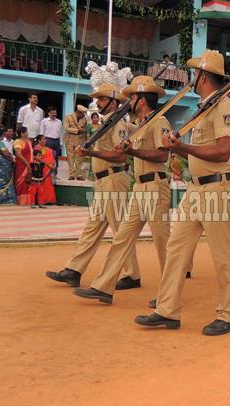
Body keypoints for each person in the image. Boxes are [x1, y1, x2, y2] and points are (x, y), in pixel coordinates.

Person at [135, 50, 230, 336]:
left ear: (203, 76)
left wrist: (181, 149)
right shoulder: (208, 106)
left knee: (222, 254)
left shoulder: (224, 106)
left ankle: (229, 314)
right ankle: (167, 309)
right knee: (176, 247)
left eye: (195, 73)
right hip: (196, 189)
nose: (193, 78)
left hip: (217, 189)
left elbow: (223, 151)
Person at [72, 76, 172, 302]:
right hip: (139, 187)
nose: (130, 101)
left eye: (133, 97)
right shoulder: (139, 126)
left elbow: (162, 155)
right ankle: (103, 287)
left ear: (143, 100)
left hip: (156, 186)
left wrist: (131, 152)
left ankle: (169, 294)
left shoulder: (159, 121)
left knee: (163, 244)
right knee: (122, 239)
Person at [45, 83, 139, 294]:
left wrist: (91, 154)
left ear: (114, 102)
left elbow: (121, 156)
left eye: (102, 99)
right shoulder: (104, 123)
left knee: (120, 230)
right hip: (103, 181)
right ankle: (74, 269)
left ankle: (132, 274)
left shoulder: (118, 124)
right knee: (92, 226)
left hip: (114, 179)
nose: (97, 102)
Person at [63, 105, 87, 180]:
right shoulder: (68, 117)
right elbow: (66, 128)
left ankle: (79, 174)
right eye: (83, 113)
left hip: (80, 140)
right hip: (70, 140)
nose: (84, 115)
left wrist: (84, 130)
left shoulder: (84, 118)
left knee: (79, 158)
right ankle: (72, 174)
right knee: (70, 158)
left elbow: (85, 128)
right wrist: (77, 130)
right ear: (78, 112)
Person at [0, 130, 16, 204]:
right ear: (2, 136)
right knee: (4, 182)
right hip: (3, 166)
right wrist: (13, 160)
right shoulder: (0, 144)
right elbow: (6, 154)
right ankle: (6, 200)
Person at [12, 127, 33, 205]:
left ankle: (28, 201)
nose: (28, 133)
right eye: (26, 132)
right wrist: (27, 164)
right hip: (21, 165)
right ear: (22, 134)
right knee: (21, 182)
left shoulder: (29, 141)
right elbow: (18, 154)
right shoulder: (18, 142)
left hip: (29, 165)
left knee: (28, 182)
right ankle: (20, 201)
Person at [33, 135, 56, 204]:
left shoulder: (45, 148)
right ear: (39, 141)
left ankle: (50, 200)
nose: (45, 140)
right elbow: (39, 158)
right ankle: (43, 200)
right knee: (43, 185)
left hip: (49, 168)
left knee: (49, 185)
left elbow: (51, 156)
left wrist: (54, 163)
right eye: (43, 139)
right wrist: (48, 165)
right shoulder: (37, 148)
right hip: (43, 168)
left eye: (45, 139)